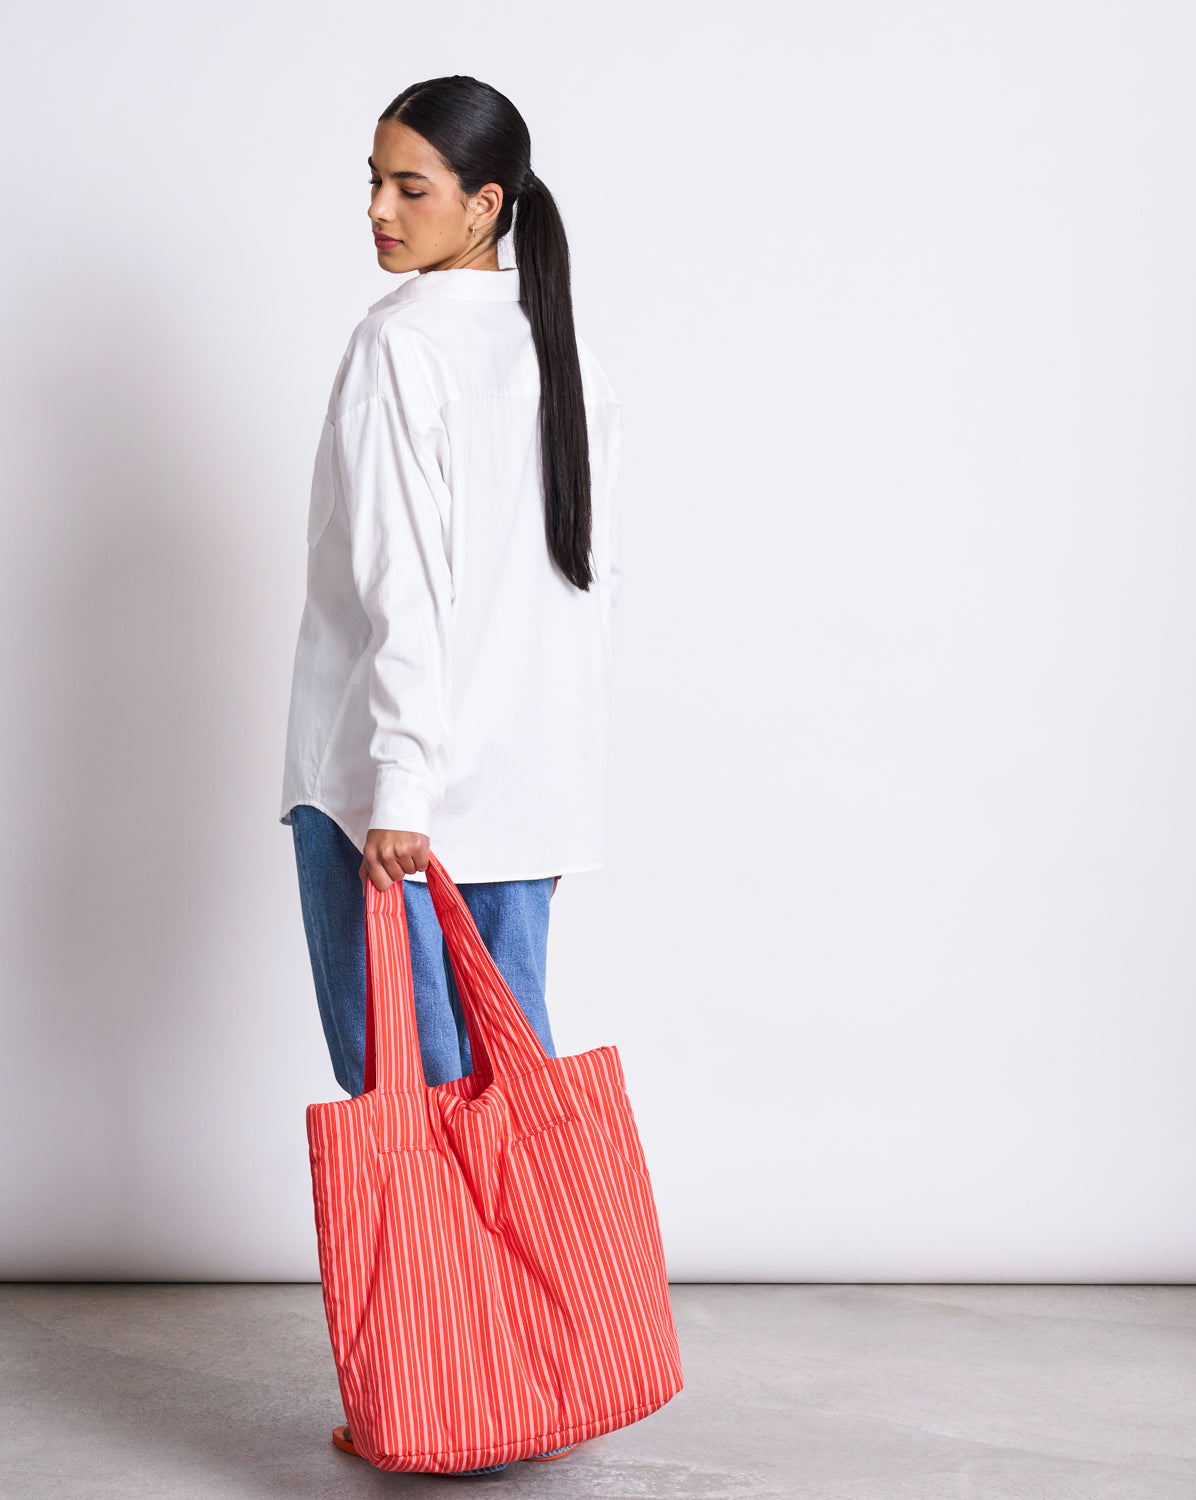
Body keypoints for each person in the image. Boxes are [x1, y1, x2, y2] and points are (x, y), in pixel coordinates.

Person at [277, 76, 622, 1474]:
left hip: (394, 790)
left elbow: (403, 598)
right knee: (505, 1110)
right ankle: (535, 1374)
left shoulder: (399, 345)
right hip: (524, 797)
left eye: (411, 186)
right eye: (371, 179)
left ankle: (447, 1399)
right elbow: (557, 599)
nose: (377, 210)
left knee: (411, 1119)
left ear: (488, 204)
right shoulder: (541, 344)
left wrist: (398, 792)